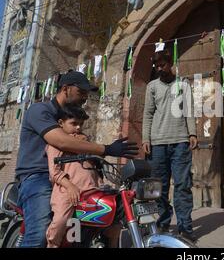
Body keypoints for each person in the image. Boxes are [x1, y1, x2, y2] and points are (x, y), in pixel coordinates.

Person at [15, 71, 138, 248]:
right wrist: (107, 149)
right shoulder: (40, 110)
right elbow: (61, 141)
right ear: (65, 89)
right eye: (81, 92)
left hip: (70, 177)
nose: (85, 98)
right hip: (38, 177)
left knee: (106, 214)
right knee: (39, 233)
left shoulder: (73, 121)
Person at [142, 50, 198, 241]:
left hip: (180, 142)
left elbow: (189, 110)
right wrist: (145, 139)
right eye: (156, 66)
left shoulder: (183, 84)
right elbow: (148, 114)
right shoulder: (152, 87)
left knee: (183, 186)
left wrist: (192, 133)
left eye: (162, 65)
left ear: (170, 63)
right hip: (157, 144)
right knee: (159, 188)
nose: (159, 69)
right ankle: (163, 223)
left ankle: (185, 228)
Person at [46, 105, 103, 247]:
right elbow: (55, 172)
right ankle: (52, 244)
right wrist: (70, 186)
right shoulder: (57, 144)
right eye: (73, 124)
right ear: (61, 123)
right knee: (60, 221)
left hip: (91, 189)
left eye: (81, 124)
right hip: (67, 191)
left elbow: (94, 166)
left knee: (111, 216)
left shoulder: (85, 142)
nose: (78, 128)